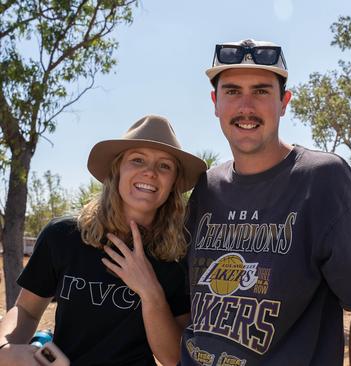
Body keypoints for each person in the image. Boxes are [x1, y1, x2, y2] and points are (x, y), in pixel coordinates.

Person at [180, 39, 351, 366]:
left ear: (284, 102)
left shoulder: (323, 180)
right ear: (215, 102)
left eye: (261, 91)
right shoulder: (206, 187)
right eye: (232, 91)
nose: (246, 106)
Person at [0, 115, 207, 365]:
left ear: (173, 182)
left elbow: (173, 358)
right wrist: (6, 349)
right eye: (137, 160)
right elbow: (27, 310)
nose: (150, 172)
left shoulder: (177, 254)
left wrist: (150, 292)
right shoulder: (63, 236)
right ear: (116, 170)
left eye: (164, 166)